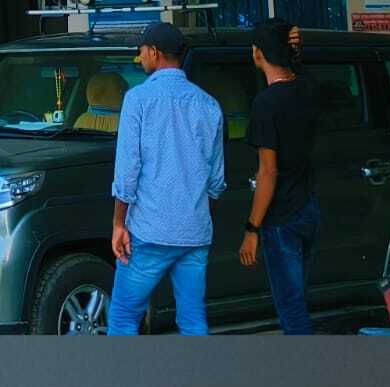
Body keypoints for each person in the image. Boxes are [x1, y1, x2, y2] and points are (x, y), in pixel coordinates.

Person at [108, 22, 226, 335]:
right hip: (195, 232)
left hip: (149, 230)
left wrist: (119, 224)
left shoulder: (137, 99)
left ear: (155, 52)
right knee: (193, 320)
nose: (139, 56)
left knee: (123, 318)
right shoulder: (209, 104)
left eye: (142, 50)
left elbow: (127, 171)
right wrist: (199, 219)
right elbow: (216, 181)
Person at [239, 19, 319, 334]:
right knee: (298, 298)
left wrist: (251, 228)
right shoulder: (306, 89)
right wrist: (296, 51)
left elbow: (268, 171)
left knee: (290, 306)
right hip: (307, 208)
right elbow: (300, 71)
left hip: (281, 218)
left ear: (258, 52)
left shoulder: (266, 103)